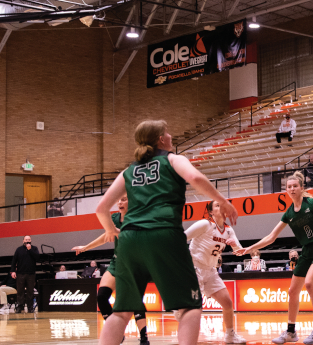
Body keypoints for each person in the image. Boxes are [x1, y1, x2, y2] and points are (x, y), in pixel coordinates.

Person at [93, 120, 238, 345]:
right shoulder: (173, 159)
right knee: (190, 306)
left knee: (121, 311)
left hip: (130, 239)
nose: (170, 136)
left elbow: (101, 209)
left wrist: (111, 230)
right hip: (164, 232)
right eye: (167, 133)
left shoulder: (128, 171)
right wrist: (222, 201)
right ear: (161, 139)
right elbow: (197, 179)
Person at [235, 171, 313, 345]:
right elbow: (271, 237)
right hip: (307, 249)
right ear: (286, 190)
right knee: (292, 291)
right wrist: (250, 248)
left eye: (295, 186)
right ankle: (291, 331)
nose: (292, 189)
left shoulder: (312, 203)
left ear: (301, 188)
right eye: (289, 187)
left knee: (309, 283)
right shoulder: (289, 213)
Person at [72, 194, 149, 345]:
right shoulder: (114, 219)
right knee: (101, 296)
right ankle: (116, 331)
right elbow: (105, 236)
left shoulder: (137, 218)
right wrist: (85, 248)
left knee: (135, 301)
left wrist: (116, 232)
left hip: (135, 263)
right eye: (119, 199)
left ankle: (144, 338)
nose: (120, 202)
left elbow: (133, 239)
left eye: (125, 199)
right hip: (117, 262)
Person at [185, 199, 246, 344]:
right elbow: (182, 237)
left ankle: (230, 335)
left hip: (210, 270)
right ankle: (187, 337)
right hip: (194, 268)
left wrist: (234, 246)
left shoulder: (229, 230)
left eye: (222, 205)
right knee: (195, 308)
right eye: (217, 205)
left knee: (227, 302)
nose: (221, 207)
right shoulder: (205, 224)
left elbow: (240, 251)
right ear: (211, 212)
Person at [10, 235, 39, 314]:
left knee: (30, 291)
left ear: (31, 240)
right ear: (23, 241)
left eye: (29, 239)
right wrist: (13, 271)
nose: (27, 241)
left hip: (31, 274)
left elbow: (37, 258)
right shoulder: (19, 249)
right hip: (20, 274)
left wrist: (30, 250)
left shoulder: (34, 248)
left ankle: (30, 307)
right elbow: (14, 261)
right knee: (20, 291)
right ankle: (20, 307)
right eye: (26, 239)